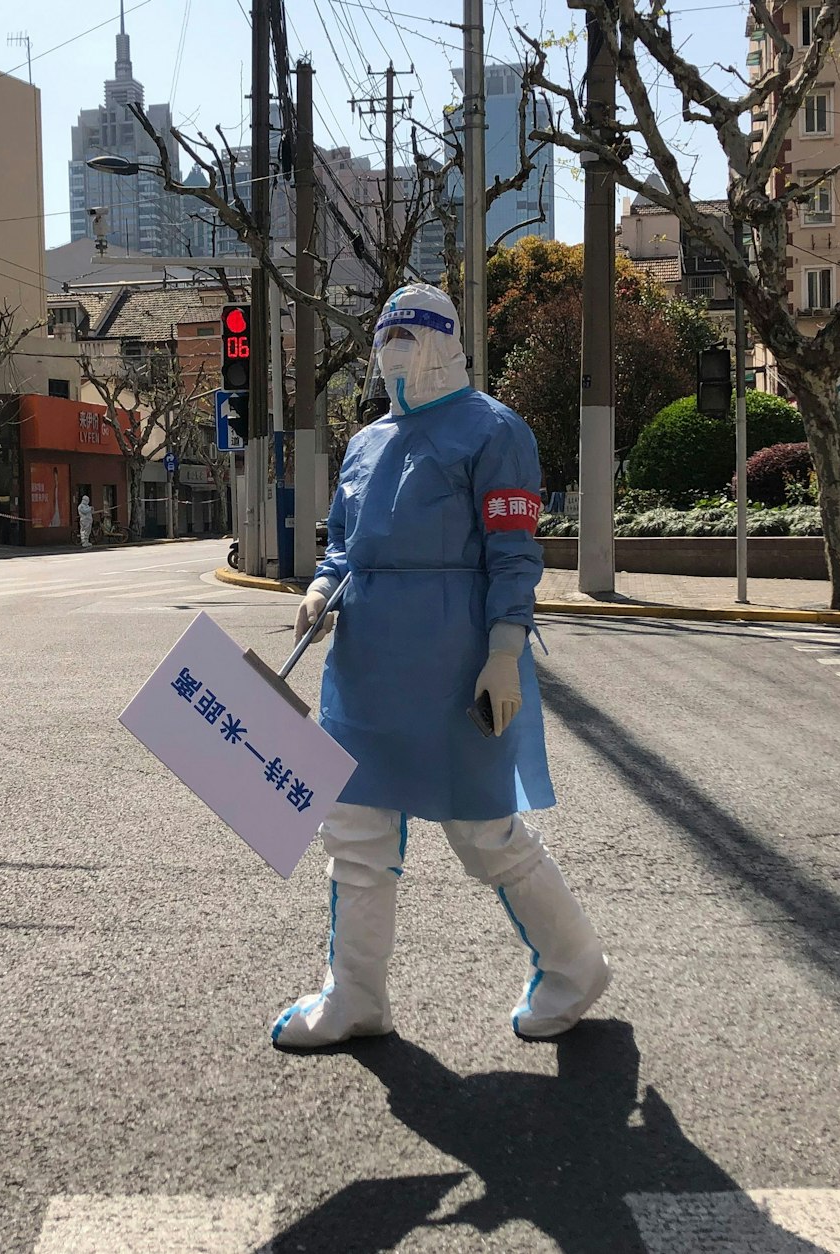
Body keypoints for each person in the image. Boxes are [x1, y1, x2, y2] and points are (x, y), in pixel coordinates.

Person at [272, 283, 609, 1050]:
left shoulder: (495, 432)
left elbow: (514, 554)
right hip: (363, 668)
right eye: (386, 334)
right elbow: (345, 541)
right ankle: (356, 996)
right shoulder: (366, 442)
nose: (395, 349)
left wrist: (503, 652)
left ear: (447, 344)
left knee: (484, 833)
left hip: (455, 662)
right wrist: (323, 586)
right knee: (354, 832)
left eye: (411, 335)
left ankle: (575, 963)